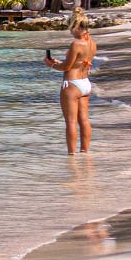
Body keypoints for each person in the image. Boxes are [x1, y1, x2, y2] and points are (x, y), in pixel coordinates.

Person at [43, 14, 97, 155]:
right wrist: (58, 62)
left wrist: (52, 65)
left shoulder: (76, 43)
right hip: (85, 83)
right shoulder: (92, 43)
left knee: (71, 122)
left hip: (72, 85)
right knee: (84, 119)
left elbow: (67, 67)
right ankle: (85, 152)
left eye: (71, 28)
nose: (70, 31)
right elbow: (77, 63)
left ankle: (71, 156)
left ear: (78, 27)